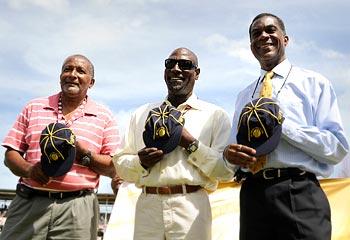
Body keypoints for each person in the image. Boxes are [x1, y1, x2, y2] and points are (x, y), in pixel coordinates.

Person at [224, 13, 349, 240]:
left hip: (299, 192)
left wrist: (282, 126)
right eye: (256, 33)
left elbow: (337, 148)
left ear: (285, 39)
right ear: (251, 45)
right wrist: (230, 157)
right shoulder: (244, 95)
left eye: (270, 30)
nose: (263, 36)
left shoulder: (314, 83)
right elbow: (234, 148)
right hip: (253, 196)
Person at [113, 47, 234, 240]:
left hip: (191, 205)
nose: (176, 69)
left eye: (185, 65)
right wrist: (140, 162)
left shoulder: (215, 116)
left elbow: (225, 171)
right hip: (147, 206)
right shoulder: (142, 114)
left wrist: (191, 144)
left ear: (197, 73)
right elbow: (119, 165)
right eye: (170, 64)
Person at [1, 54, 121, 240]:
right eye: (67, 69)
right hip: (29, 201)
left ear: (91, 82)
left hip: (78, 209)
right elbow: (11, 154)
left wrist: (83, 153)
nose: (72, 74)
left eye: (80, 71)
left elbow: (114, 166)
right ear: (60, 76)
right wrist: (29, 169)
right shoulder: (34, 107)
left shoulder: (104, 116)